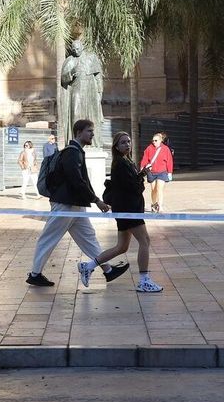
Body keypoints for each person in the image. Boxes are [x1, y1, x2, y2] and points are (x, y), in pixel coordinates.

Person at [26, 118, 128, 288]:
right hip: (65, 205)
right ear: (79, 132)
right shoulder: (72, 152)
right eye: (89, 131)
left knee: (88, 238)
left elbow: (81, 181)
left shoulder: (77, 151)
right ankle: (35, 274)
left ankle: (108, 270)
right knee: (48, 238)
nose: (92, 134)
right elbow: (77, 180)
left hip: (75, 204)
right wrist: (96, 200)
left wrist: (94, 199)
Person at [95, 131, 165, 293]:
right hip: (129, 209)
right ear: (116, 146)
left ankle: (88, 265)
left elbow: (130, 182)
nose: (127, 144)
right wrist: (142, 178)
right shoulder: (120, 163)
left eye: (128, 142)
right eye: (123, 142)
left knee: (121, 247)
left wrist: (139, 174)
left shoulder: (126, 161)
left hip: (126, 208)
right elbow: (134, 188)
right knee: (145, 241)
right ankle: (144, 280)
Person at [140, 131, 174, 213]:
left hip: (162, 172)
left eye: (156, 140)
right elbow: (145, 158)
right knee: (153, 189)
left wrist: (169, 172)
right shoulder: (149, 148)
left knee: (160, 189)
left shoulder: (165, 149)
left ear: (160, 140)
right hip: (152, 172)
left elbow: (169, 161)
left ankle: (160, 206)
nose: (154, 142)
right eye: (153, 140)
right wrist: (142, 167)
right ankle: (154, 204)